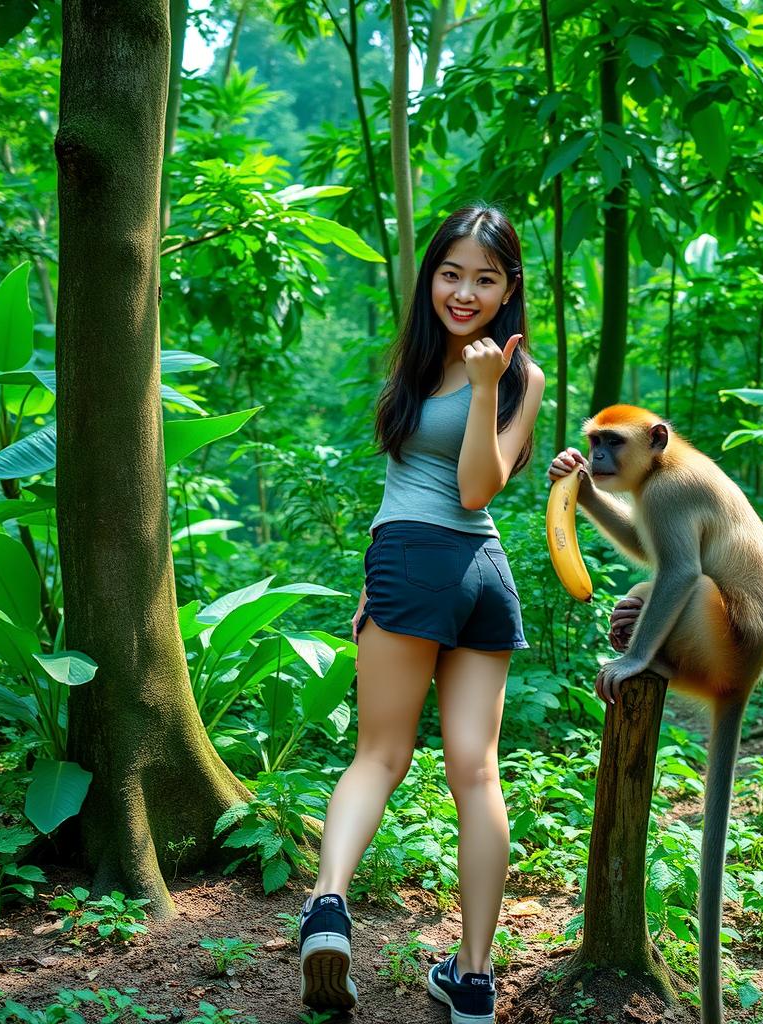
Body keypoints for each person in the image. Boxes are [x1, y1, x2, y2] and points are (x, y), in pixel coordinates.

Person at [297, 203, 545, 1024]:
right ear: (430, 275)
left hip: (450, 559)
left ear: (510, 287)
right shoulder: (414, 357)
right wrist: (377, 571)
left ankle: (328, 905)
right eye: (451, 273)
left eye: (485, 277)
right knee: (473, 773)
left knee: (382, 756)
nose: (464, 291)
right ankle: (471, 979)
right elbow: (404, 484)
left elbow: (478, 489)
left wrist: (483, 390)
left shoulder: (515, 377)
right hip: (448, 568)